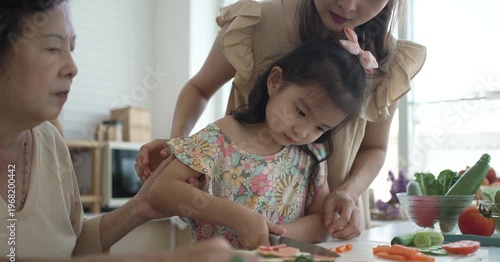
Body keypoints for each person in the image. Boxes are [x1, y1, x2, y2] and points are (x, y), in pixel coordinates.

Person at [0, 1, 266, 262]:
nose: (72, 67)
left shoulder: (49, 141)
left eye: (72, 49)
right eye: (52, 49)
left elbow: (72, 246)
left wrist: (139, 208)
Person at [135, 0, 427, 240]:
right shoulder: (257, 21)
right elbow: (199, 89)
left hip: (327, 223)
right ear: (275, 80)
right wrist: (180, 148)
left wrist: (345, 194)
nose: (347, 4)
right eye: (300, 112)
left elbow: (374, 148)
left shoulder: (386, 59)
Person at [148, 37, 370, 250]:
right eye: (301, 112)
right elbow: (161, 189)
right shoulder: (223, 136)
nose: (302, 131)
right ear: (275, 81)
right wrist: (238, 217)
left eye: (320, 128)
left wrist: (271, 234)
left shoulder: (311, 154)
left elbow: (322, 222)